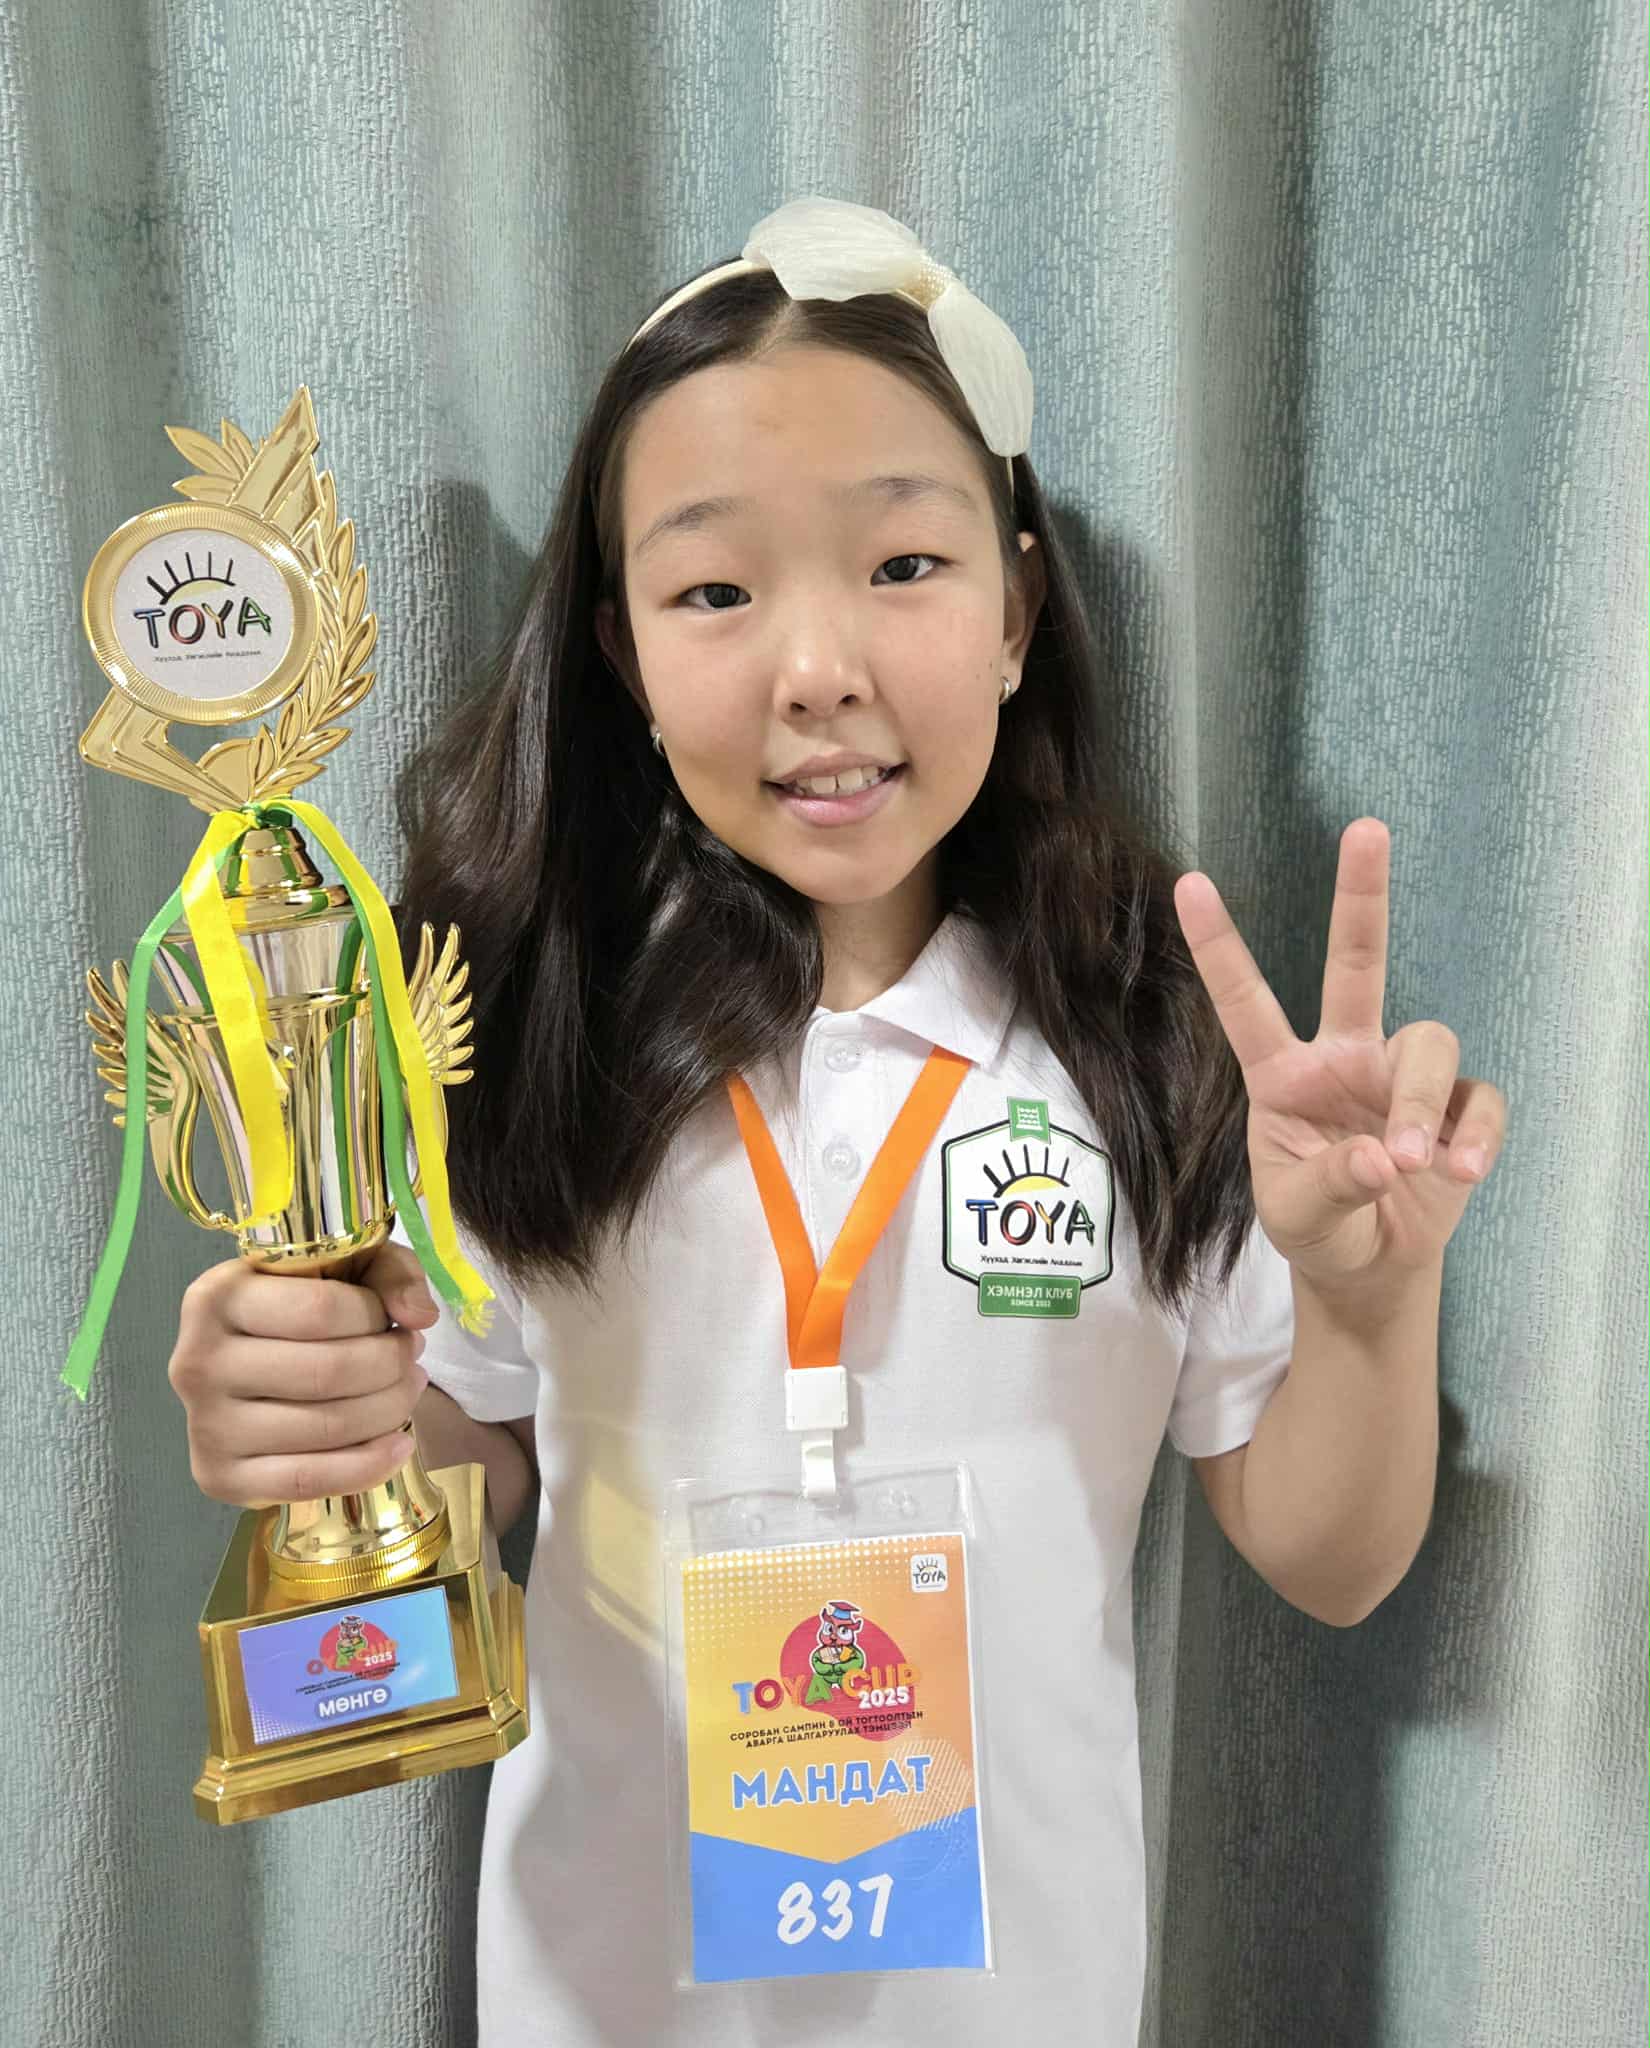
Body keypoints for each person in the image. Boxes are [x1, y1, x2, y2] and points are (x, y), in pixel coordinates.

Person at [166, 197, 1504, 2045]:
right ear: (624, 658)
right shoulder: (519, 1028)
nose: (818, 668)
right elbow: (469, 1468)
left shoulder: (1153, 1038)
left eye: (903, 564)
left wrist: (1366, 1295)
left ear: (1017, 611)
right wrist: (326, 1412)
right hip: (598, 2000)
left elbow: (1328, 1560)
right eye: (714, 592)